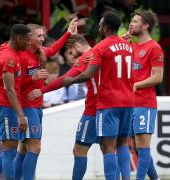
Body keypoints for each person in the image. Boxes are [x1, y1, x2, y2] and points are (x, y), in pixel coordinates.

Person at [63, 12, 134, 180]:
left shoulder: (100, 47)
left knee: (107, 148)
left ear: (106, 27)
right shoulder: (128, 46)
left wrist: (70, 80)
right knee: (122, 144)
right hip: (128, 101)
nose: (99, 27)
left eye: (101, 24)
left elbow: (88, 74)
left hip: (105, 104)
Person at [28, 34, 99, 180]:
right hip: (113, 106)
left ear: (77, 46)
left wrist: (41, 90)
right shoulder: (102, 51)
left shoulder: (87, 58)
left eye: (72, 53)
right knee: (111, 149)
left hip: (93, 109)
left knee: (79, 150)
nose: (73, 58)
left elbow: (63, 80)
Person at [15, 19, 78, 180]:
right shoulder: (20, 57)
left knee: (22, 149)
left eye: (43, 36)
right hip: (27, 106)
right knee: (35, 148)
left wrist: (69, 32)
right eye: (39, 36)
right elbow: (12, 84)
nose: (43, 39)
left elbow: (54, 48)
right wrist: (33, 77)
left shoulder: (40, 52)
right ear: (29, 39)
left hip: (36, 107)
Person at [0, 24, 31, 180]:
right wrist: (21, 115)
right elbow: (10, 90)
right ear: (17, 38)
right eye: (26, 40)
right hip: (6, 107)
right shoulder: (8, 58)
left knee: (11, 149)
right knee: (10, 151)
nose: (28, 44)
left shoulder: (11, 50)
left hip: (10, 107)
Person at [128, 9, 164, 180]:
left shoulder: (154, 47)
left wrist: (136, 85)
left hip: (145, 103)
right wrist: (124, 38)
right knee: (136, 146)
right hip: (130, 103)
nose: (131, 24)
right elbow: (111, 50)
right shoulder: (132, 46)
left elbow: (158, 77)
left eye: (135, 21)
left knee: (143, 147)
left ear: (146, 25)